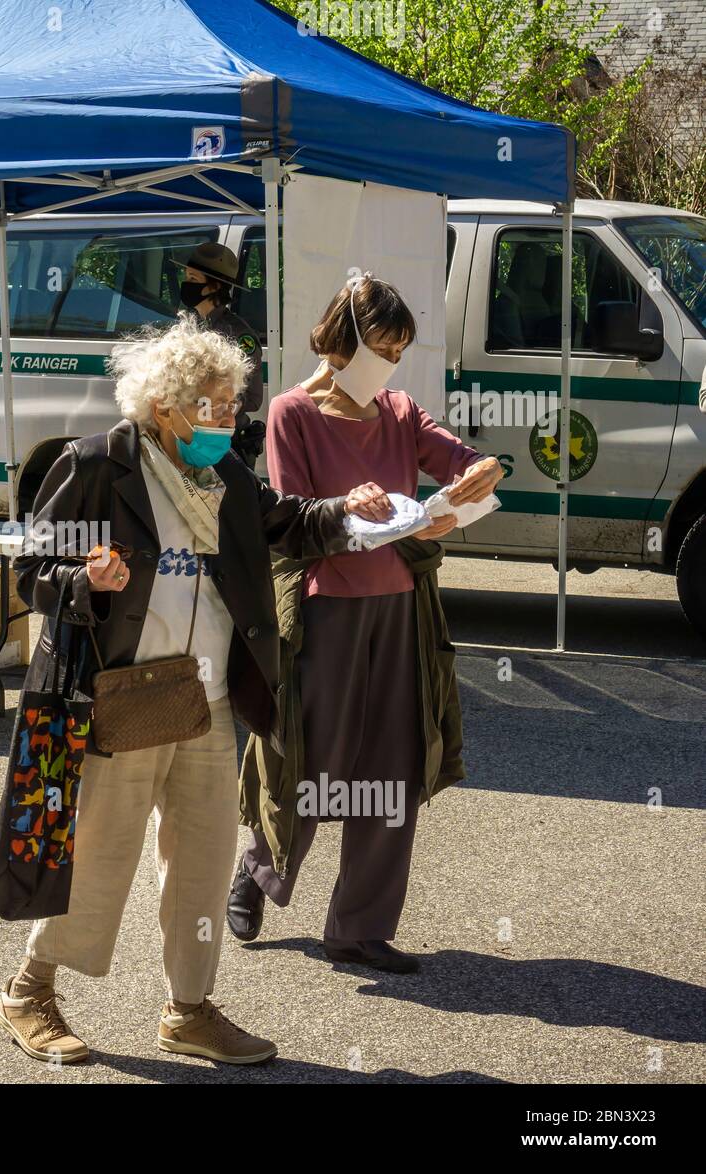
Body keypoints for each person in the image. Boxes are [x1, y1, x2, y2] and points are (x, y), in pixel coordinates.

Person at [0, 314, 392, 1066]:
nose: (229, 419)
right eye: (214, 405)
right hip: (122, 696)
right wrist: (86, 580)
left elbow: (287, 522)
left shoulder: (226, 477)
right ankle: (30, 989)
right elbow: (30, 570)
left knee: (206, 864)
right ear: (166, 406)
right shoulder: (94, 465)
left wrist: (350, 510)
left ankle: (189, 1010)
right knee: (101, 857)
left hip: (205, 701)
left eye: (232, 404)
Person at [226, 273, 504, 974]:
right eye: (382, 345)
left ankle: (359, 928)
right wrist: (350, 503)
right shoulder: (292, 413)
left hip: (399, 607)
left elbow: (461, 458)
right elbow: (289, 518)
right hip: (324, 611)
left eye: (400, 349)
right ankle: (256, 870)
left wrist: (479, 473)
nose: (390, 361)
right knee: (305, 757)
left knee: (392, 770)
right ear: (343, 339)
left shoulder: (400, 409)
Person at [174, 242, 264, 467]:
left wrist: (215, 408)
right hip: (191, 439)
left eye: (194, 279)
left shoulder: (239, 335)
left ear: (214, 287)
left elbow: (252, 398)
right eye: (186, 277)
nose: (186, 284)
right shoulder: (191, 325)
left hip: (224, 446)